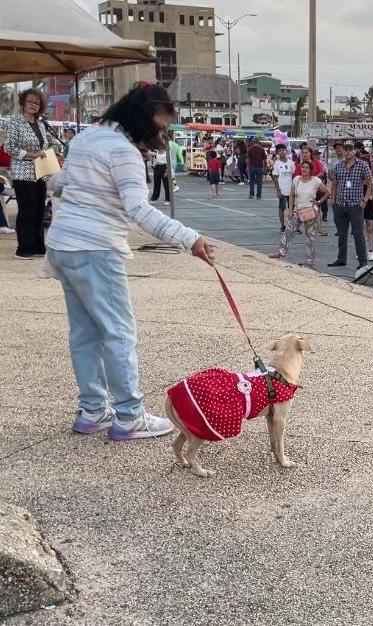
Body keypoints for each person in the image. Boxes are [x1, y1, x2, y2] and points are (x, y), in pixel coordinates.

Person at [45, 83, 215, 439]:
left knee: (84, 332)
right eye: (161, 125)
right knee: (118, 332)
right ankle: (128, 415)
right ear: (143, 118)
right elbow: (138, 208)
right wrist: (189, 238)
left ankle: (92, 411)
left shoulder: (87, 138)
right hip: (96, 248)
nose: (162, 134)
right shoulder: (123, 152)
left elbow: (58, 183)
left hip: (63, 245)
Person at [4, 88, 56, 260]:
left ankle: (38, 246)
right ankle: (24, 249)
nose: (34, 105)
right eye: (30, 102)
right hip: (22, 173)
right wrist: (30, 154)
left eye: (37, 102)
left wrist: (52, 152)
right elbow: (9, 148)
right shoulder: (15, 123)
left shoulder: (40, 124)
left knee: (40, 209)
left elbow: (48, 143)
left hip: (40, 172)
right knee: (27, 209)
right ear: (23, 103)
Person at [268, 161, 330, 268]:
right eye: (303, 167)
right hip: (298, 211)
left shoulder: (316, 181)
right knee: (288, 232)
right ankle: (280, 252)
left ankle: (310, 261)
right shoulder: (296, 179)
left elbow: (327, 192)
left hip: (310, 212)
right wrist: (290, 210)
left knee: (310, 237)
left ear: (311, 170)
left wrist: (319, 202)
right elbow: (292, 195)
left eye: (307, 167)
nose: (304, 169)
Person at [328, 141, 373, 274]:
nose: (347, 152)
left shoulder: (362, 165)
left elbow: (370, 183)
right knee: (342, 234)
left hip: (355, 205)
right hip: (341, 204)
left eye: (350, 149)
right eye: (345, 149)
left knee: (358, 234)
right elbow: (334, 183)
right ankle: (341, 258)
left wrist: (365, 200)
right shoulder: (339, 166)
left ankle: (363, 261)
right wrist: (334, 200)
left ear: (354, 151)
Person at [270, 144, 295, 233]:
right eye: (280, 151)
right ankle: (282, 226)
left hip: (291, 190)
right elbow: (275, 177)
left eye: (283, 150)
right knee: (282, 208)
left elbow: (294, 176)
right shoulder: (277, 163)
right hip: (282, 190)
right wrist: (278, 190)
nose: (282, 152)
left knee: (292, 209)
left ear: (286, 151)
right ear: (277, 153)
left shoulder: (291, 163)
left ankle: (291, 226)